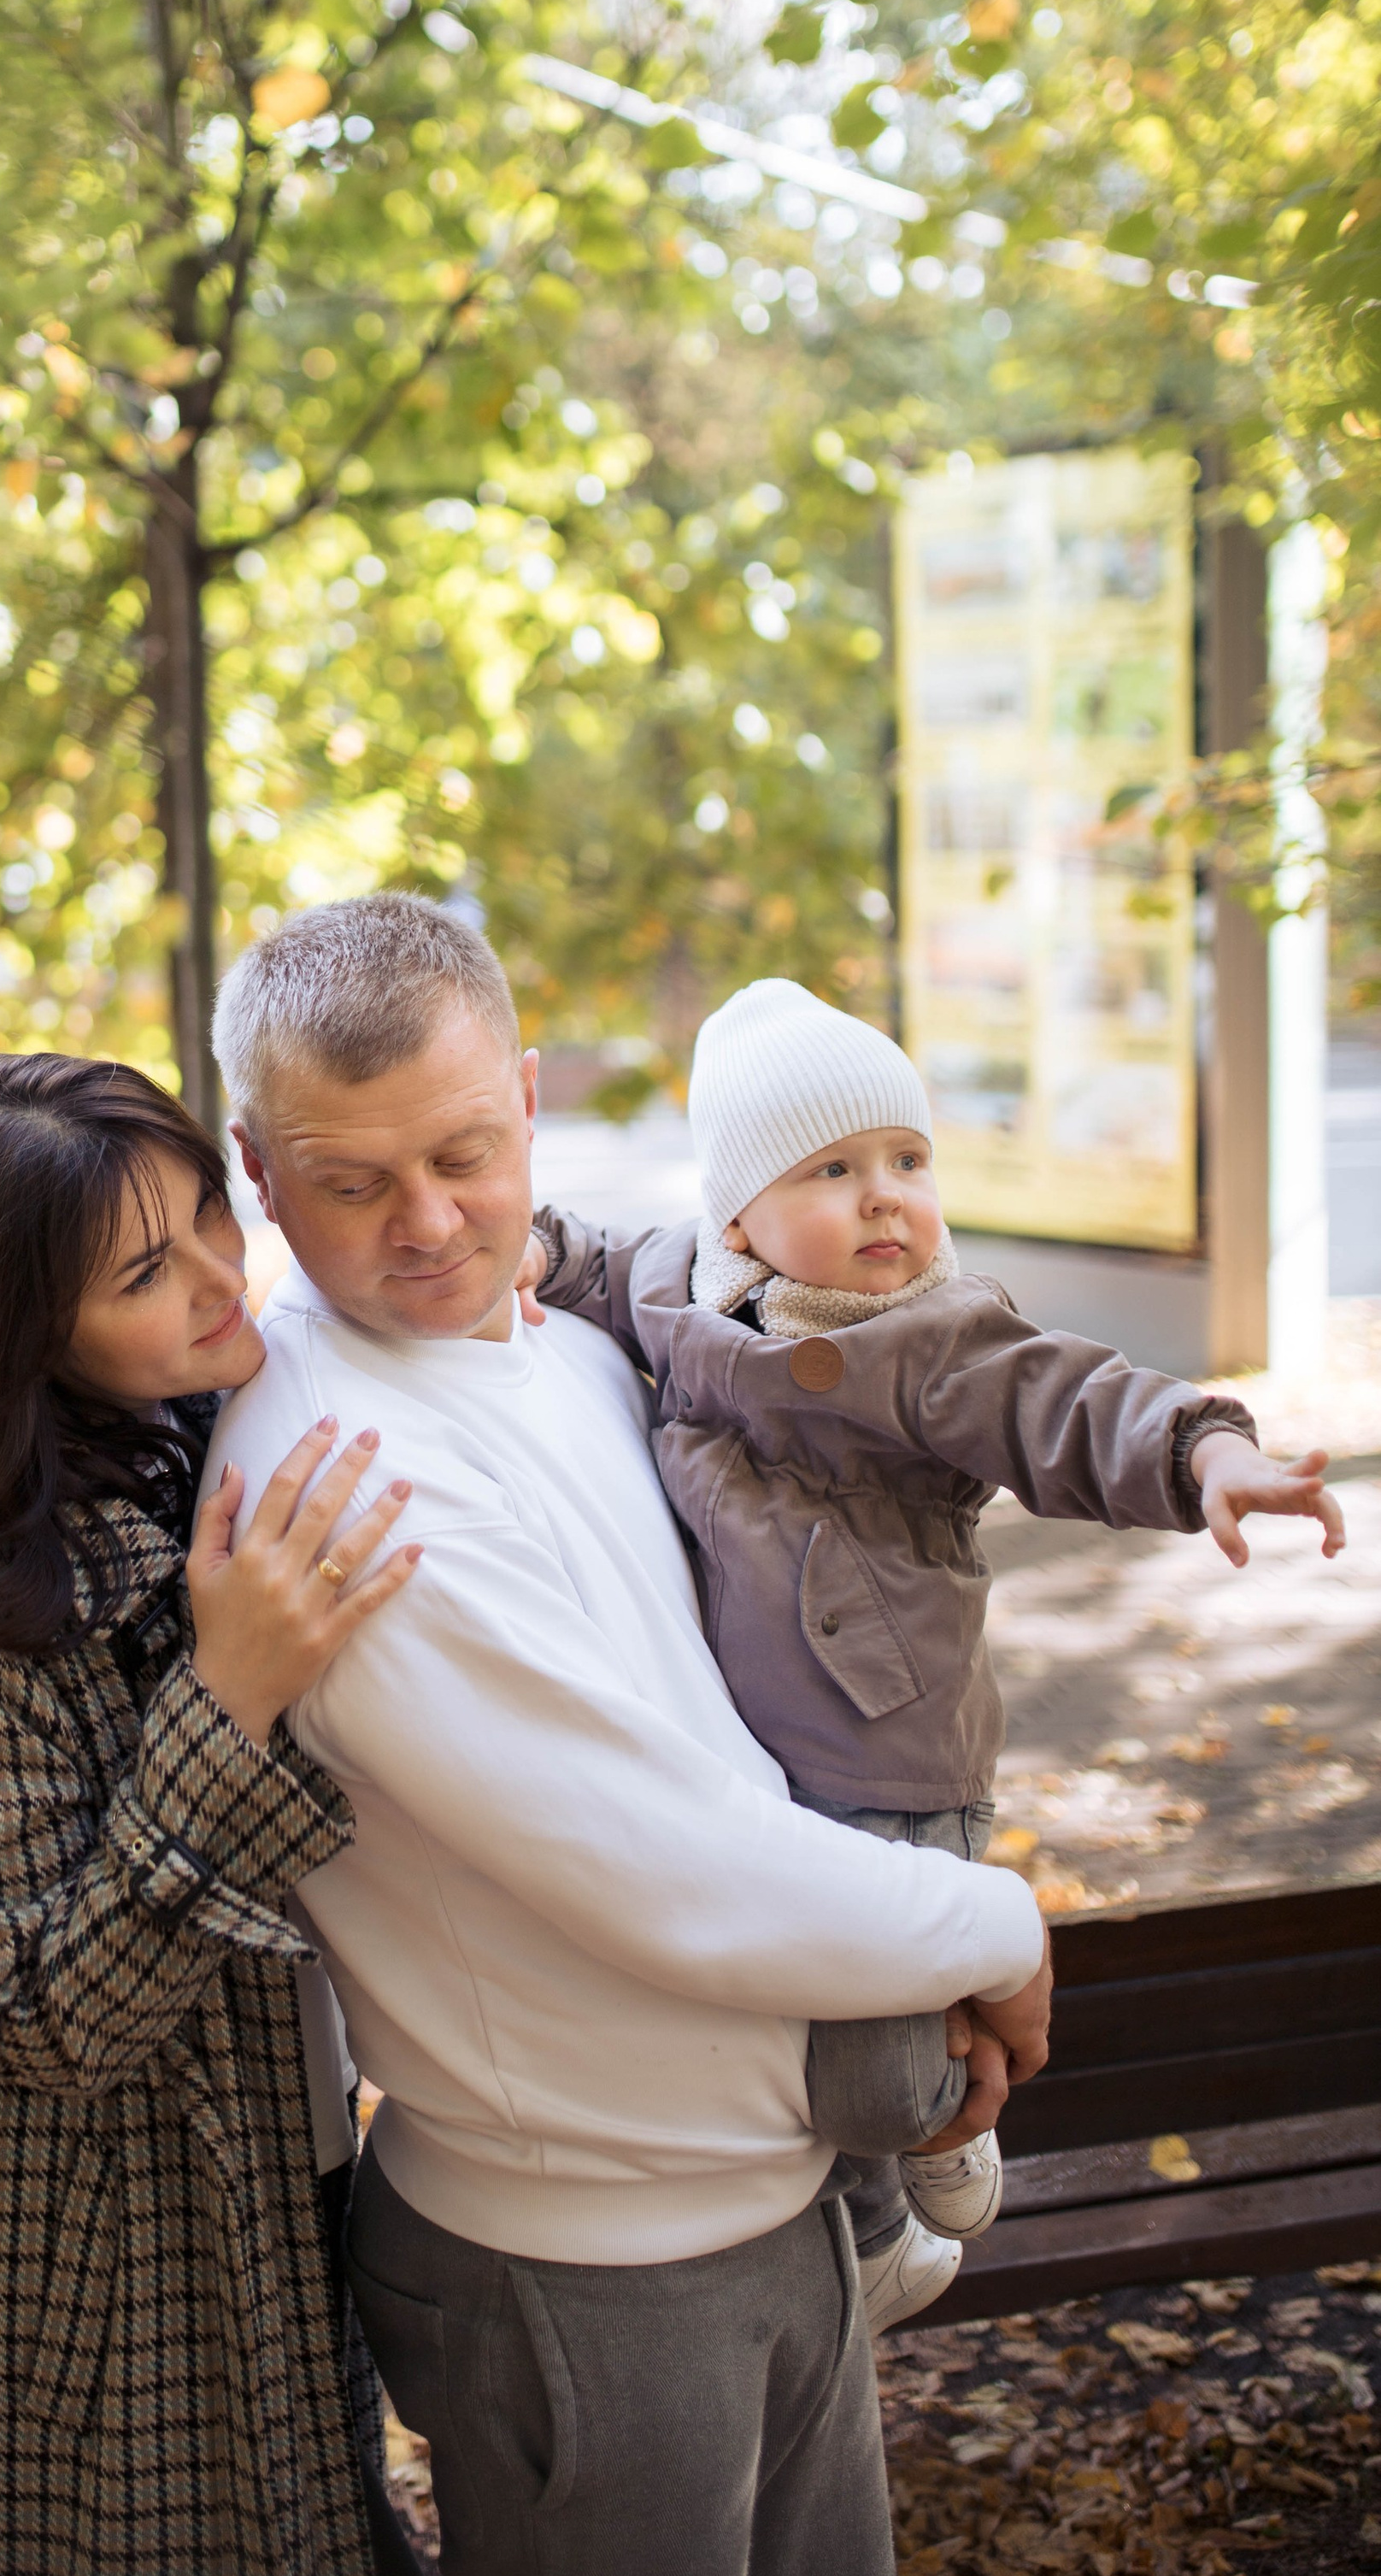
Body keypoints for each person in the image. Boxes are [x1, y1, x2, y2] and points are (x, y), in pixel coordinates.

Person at [204, 895, 1053, 2576]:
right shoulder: (330, 1482)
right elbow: (669, 1871)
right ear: (255, 1166)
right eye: (351, 1183)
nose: (428, 1225)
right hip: (580, 2256)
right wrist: (992, 1928)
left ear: (525, 1100)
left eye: (459, 1152)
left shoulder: (572, 1350)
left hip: (761, 2201)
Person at [526, 971, 1346, 2325]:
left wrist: (1208, 1453)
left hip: (893, 1757)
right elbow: (592, 1258)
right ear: (737, 1212)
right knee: (787, 2041)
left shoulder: (932, 1339)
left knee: (873, 2074)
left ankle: (942, 2129)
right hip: (747, 1777)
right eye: (836, 1168)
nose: (888, 1196)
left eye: (908, 1159)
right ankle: (871, 2232)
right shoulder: (678, 1291)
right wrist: (534, 1252)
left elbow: (1069, 1401)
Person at [0, 1052, 432, 2576]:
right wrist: (229, 1699)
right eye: (149, 1270)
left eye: (213, 1212)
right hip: (54, 2265)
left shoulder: (172, 1424)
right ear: (25, 1323)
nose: (226, 1277)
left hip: (248, 2206)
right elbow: (37, 2021)